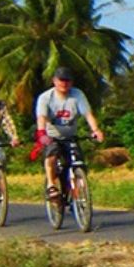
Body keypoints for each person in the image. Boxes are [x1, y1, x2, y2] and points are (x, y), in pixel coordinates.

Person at [35, 66, 105, 201]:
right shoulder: (45, 97)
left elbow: (88, 114)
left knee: (79, 163)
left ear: (71, 82)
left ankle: (76, 195)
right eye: (61, 80)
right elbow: (41, 118)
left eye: (67, 80)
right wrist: (42, 134)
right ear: (54, 81)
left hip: (70, 136)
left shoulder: (77, 95)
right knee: (51, 156)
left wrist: (96, 130)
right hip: (51, 137)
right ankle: (51, 185)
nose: (64, 84)